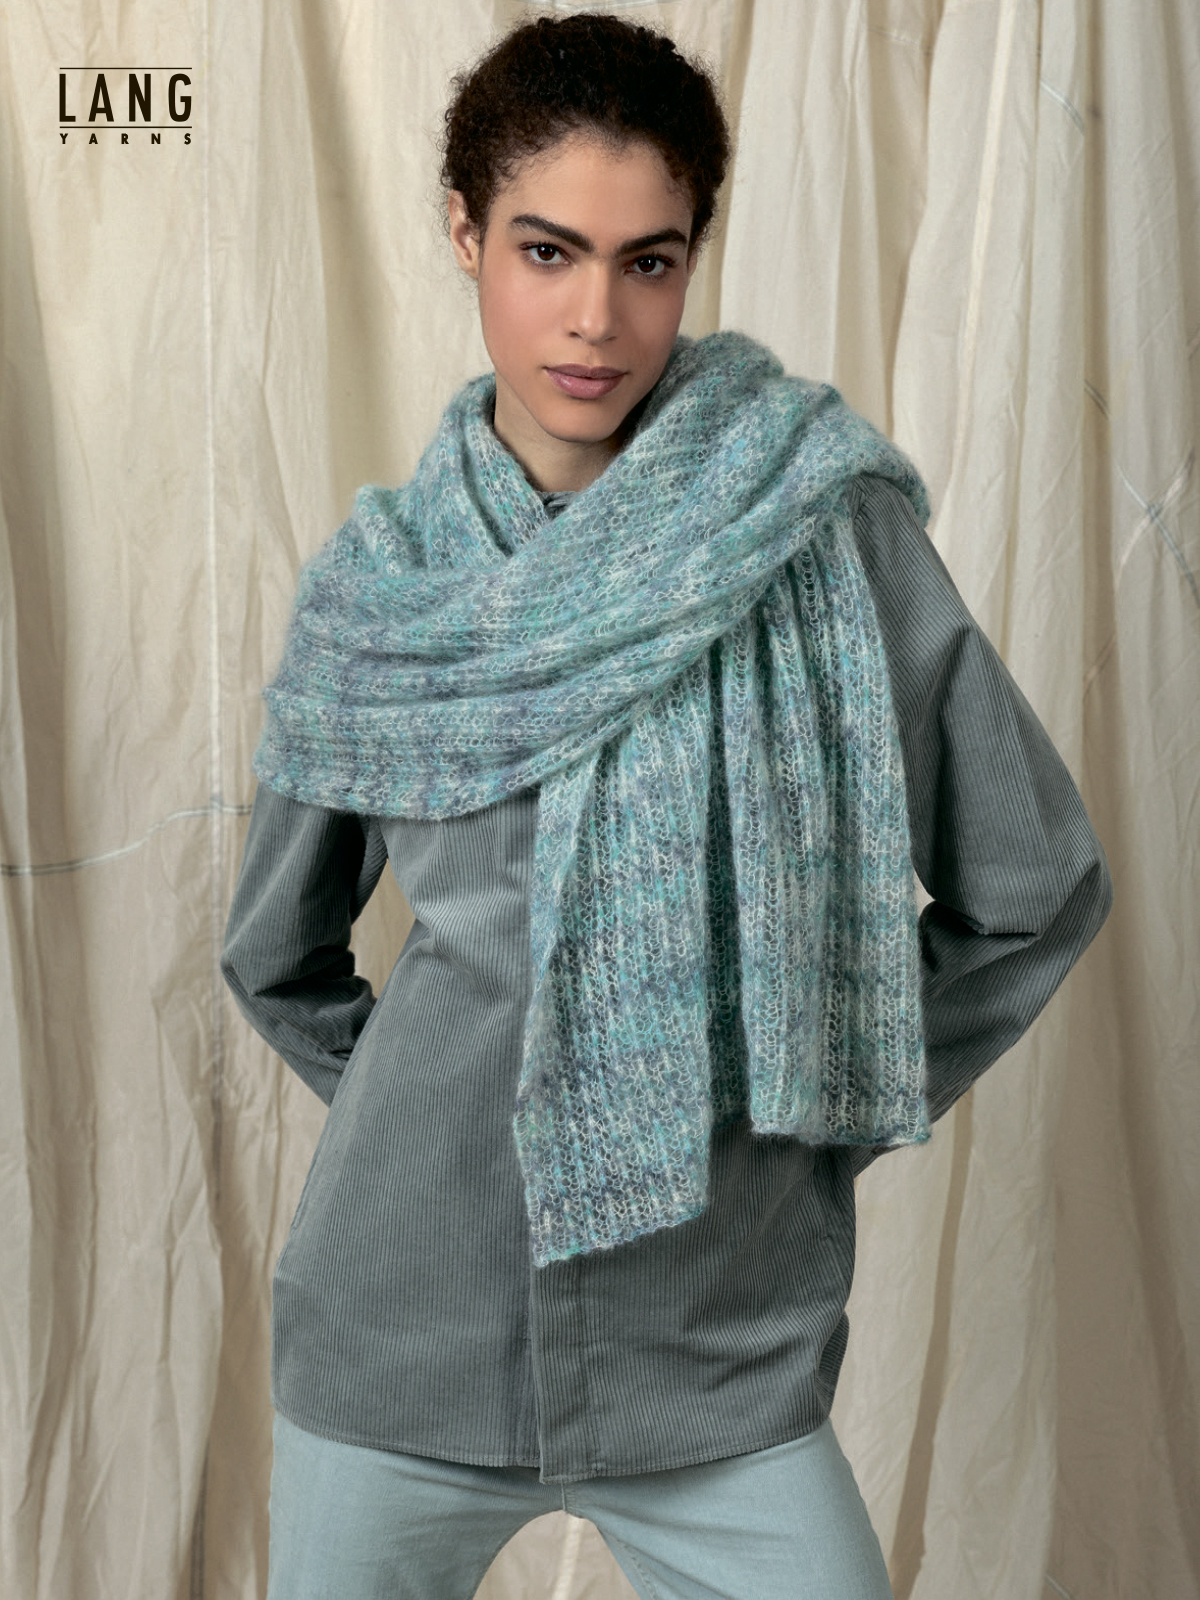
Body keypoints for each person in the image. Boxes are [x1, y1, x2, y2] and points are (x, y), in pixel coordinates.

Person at [221, 15, 1112, 1600]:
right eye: (547, 251)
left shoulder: (815, 530)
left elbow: (1033, 885)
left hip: (717, 1341)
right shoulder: (382, 592)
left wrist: (816, 1084)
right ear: (463, 234)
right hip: (399, 1333)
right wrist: (476, 1109)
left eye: (649, 261)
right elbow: (273, 955)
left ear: (694, 254)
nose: (596, 317)